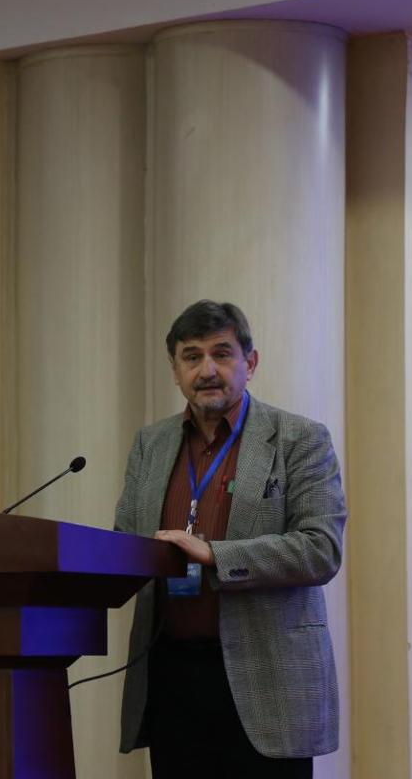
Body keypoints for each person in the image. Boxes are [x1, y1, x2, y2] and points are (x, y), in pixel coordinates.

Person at [114, 300, 347, 779]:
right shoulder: (150, 445)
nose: (207, 370)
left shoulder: (300, 439)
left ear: (250, 363)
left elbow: (320, 548)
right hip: (173, 677)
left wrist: (216, 556)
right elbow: (124, 540)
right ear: (175, 371)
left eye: (222, 354)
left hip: (268, 678)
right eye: (192, 356)